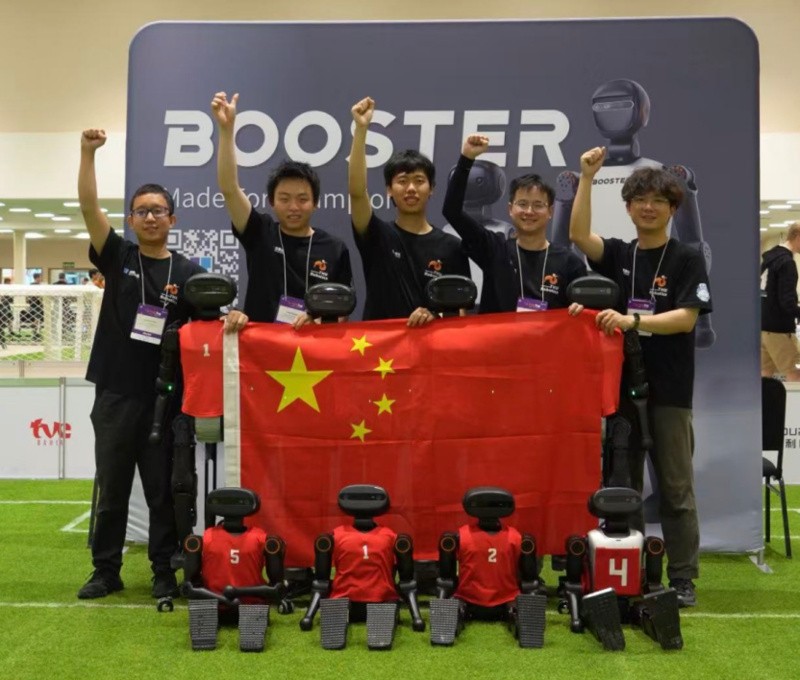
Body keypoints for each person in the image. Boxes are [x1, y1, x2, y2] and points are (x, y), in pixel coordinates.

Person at [76, 128, 246, 601]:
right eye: (141, 211)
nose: (150, 217)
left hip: (165, 399)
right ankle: (105, 570)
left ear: (173, 218)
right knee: (112, 488)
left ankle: (163, 571)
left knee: (163, 491)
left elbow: (211, 327)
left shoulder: (190, 274)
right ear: (131, 220)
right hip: (115, 393)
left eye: (158, 210)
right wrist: (88, 154)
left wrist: (234, 316)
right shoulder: (118, 256)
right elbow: (89, 207)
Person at [568, 146, 713, 608]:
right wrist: (587, 179)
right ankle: (627, 570)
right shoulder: (618, 253)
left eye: (659, 201)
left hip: (670, 391)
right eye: (640, 200)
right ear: (628, 208)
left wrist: (633, 321)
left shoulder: (687, 257)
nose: (649, 207)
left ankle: (683, 577)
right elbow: (577, 234)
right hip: (620, 392)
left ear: (673, 209)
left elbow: (686, 319)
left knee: (675, 488)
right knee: (623, 487)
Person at [212, 92, 352, 328]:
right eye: (284, 199)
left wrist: (317, 321)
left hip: (313, 346)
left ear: (316, 202)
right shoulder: (260, 232)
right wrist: (226, 130)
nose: (294, 207)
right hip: (262, 346)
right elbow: (229, 189)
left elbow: (343, 311)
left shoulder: (334, 248)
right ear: (271, 201)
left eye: (302, 199)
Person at [349, 97, 471, 326]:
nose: (411, 188)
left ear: (431, 189)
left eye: (419, 181)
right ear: (389, 190)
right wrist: (361, 129)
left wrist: (434, 316)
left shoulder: (452, 247)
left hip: (431, 347)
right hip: (380, 345)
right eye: (402, 181)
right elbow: (357, 192)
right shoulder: (377, 235)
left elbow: (461, 312)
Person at [443, 134, 587, 314]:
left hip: (546, 334)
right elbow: (452, 211)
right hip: (499, 333)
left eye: (538, 205)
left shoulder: (569, 262)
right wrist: (466, 159)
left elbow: (584, 312)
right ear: (510, 209)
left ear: (550, 211)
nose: (529, 211)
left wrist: (580, 309)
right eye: (522, 204)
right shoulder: (494, 249)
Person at [761, 222, 800, 381]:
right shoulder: (787, 263)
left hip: (763, 326)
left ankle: (765, 399)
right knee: (794, 372)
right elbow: (787, 301)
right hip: (779, 329)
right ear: (798, 237)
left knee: (765, 373)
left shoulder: (769, 258)